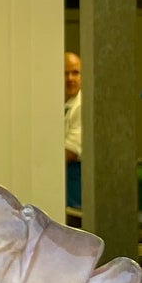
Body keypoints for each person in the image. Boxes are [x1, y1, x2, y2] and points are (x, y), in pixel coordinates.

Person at [65, 50, 83, 212]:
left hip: (75, 179)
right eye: (65, 73)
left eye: (75, 73)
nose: (70, 79)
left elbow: (71, 151)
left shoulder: (82, 106)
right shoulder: (63, 103)